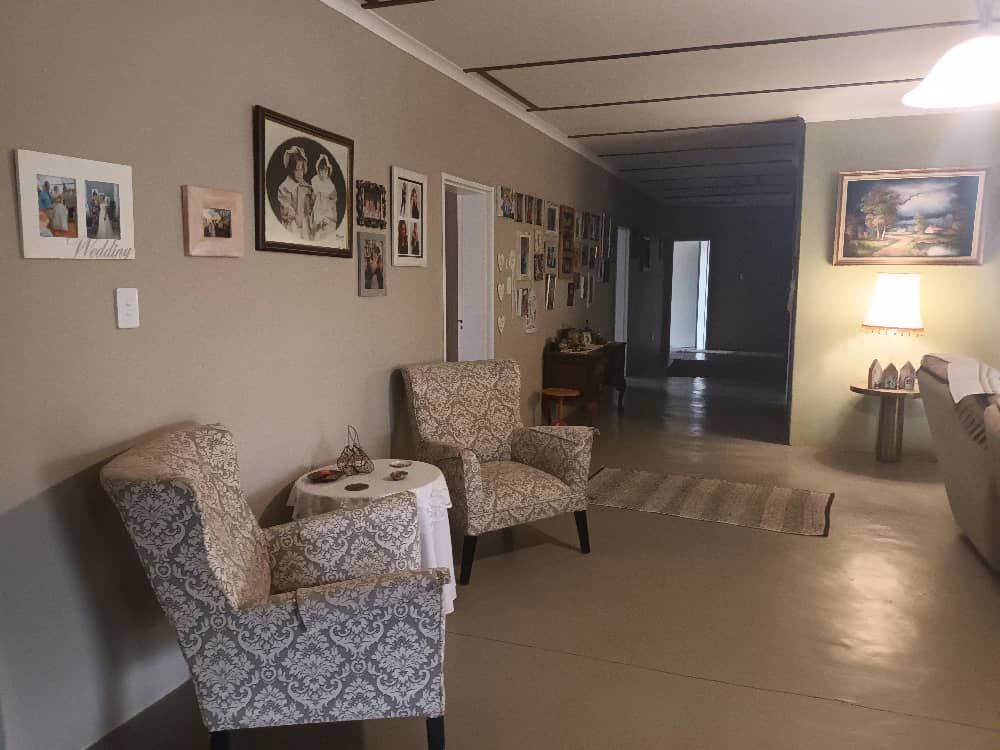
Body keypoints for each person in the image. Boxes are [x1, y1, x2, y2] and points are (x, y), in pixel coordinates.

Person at [276, 145, 313, 240]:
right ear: (291, 170)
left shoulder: (306, 187)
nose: (300, 173)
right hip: (292, 225)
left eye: (301, 169)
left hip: (305, 225)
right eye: (297, 170)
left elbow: (309, 208)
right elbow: (286, 208)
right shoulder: (285, 187)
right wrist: (293, 215)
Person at [310, 154, 339, 239]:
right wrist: (315, 197)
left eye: (325, 170)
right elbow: (314, 194)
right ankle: (319, 223)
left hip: (327, 205)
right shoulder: (315, 180)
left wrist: (329, 197)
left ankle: (325, 222)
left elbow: (334, 197)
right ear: (318, 171)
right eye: (321, 170)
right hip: (318, 204)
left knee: (328, 219)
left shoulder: (330, 183)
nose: (323, 173)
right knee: (317, 219)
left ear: (328, 171)